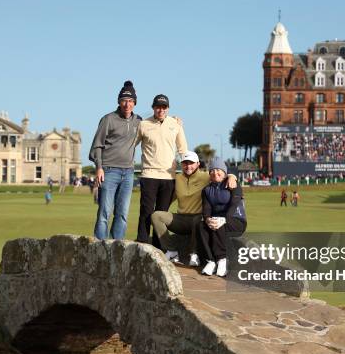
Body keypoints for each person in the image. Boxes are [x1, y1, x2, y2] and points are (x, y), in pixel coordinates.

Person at [151, 151, 237, 267]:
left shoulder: (206, 176)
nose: (188, 166)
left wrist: (232, 176)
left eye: (191, 163)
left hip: (198, 218)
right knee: (156, 216)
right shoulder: (177, 179)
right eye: (185, 163)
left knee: (199, 219)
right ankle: (171, 251)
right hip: (181, 219)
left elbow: (220, 173)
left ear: (197, 164)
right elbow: (169, 198)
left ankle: (193, 254)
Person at [89, 80, 142, 240]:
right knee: (104, 212)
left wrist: (173, 120)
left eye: (131, 101)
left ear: (134, 102)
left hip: (128, 173)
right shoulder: (108, 119)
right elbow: (96, 146)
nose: (127, 104)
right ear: (119, 101)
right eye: (124, 100)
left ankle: (117, 247)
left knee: (122, 214)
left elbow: (156, 123)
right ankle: (100, 248)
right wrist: (99, 167)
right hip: (109, 171)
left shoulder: (139, 121)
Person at [136, 94, 187, 248]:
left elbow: (183, 149)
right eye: (158, 107)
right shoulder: (143, 124)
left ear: (168, 109)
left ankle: (160, 247)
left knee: (161, 212)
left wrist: (188, 170)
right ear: (153, 107)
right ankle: (143, 243)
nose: (161, 110)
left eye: (164, 107)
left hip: (168, 176)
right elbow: (130, 145)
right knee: (146, 211)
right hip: (149, 174)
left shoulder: (175, 124)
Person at [198, 157, 247, 277]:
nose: (215, 173)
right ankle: (211, 261)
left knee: (219, 224)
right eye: (212, 171)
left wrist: (225, 219)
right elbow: (206, 208)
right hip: (217, 220)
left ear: (224, 172)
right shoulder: (206, 190)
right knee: (202, 225)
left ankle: (222, 261)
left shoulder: (232, 183)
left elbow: (234, 204)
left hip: (236, 221)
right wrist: (208, 219)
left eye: (218, 170)